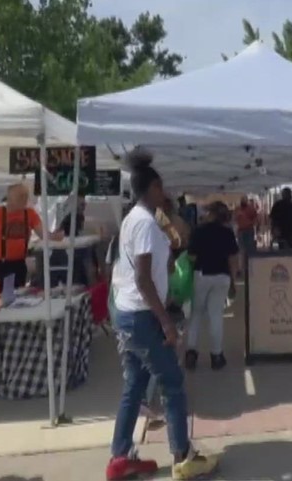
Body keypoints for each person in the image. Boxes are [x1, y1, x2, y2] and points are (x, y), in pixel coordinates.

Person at [106, 149, 218, 481]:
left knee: (135, 384)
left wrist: (168, 224)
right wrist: (166, 321)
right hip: (143, 316)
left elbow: (178, 241)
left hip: (127, 313)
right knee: (172, 383)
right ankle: (182, 456)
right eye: (162, 188)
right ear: (153, 188)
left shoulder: (140, 218)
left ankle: (120, 457)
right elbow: (142, 278)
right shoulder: (143, 223)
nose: (166, 193)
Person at [184, 202, 240, 371]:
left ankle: (191, 352)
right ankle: (216, 355)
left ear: (213, 213)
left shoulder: (199, 231)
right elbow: (233, 259)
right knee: (216, 315)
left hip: (201, 275)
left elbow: (192, 257)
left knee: (196, 314)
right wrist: (233, 281)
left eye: (208, 211)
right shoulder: (228, 233)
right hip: (222, 277)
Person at [0, 183, 60, 287]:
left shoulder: (30, 213)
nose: (24, 199)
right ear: (10, 197)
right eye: (20, 196)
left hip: (18, 265)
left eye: (26, 196)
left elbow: (43, 233)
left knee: (17, 298)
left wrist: (54, 236)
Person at [47, 198, 97, 288]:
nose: (84, 206)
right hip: (69, 245)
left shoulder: (77, 216)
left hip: (72, 244)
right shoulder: (73, 217)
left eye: (84, 204)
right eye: (82, 204)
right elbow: (63, 230)